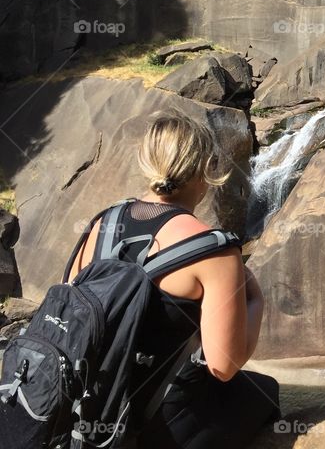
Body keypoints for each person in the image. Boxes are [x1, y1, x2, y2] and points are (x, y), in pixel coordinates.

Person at [65, 110, 281, 448]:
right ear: (205, 170)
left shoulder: (102, 224)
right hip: (152, 425)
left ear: (148, 162)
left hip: (84, 408)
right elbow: (223, 366)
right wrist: (255, 299)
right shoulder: (213, 248)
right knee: (265, 392)